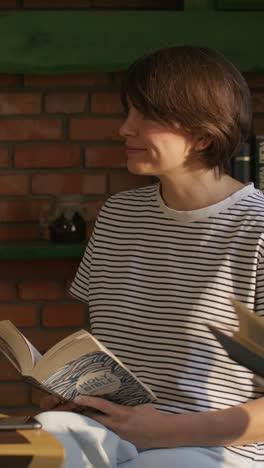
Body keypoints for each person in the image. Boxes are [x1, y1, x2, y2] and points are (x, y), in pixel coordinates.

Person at [36, 45, 264, 468]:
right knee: (33, 449)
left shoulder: (257, 230)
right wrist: (76, 388)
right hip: (110, 431)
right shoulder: (118, 215)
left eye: (147, 117)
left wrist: (164, 432)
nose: (125, 129)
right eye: (127, 112)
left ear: (203, 135)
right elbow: (102, 345)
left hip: (214, 449)